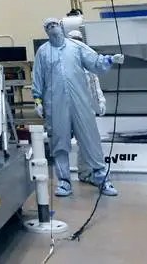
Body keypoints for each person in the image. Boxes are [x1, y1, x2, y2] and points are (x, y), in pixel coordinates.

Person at [33, 17, 125, 197]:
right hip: (55, 105)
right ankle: (64, 182)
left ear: (61, 27)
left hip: (80, 102)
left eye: (55, 25)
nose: (52, 28)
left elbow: (94, 61)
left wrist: (110, 59)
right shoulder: (43, 53)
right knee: (59, 142)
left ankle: (102, 178)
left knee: (90, 139)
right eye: (48, 26)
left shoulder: (75, 47)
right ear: (46, 31)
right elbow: (38, 77)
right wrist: (37, 100)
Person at [68, 29, 107, 184]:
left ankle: (85, 173)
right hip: (68, 109)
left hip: (85, 109)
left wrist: (101, 102)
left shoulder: (88, 63)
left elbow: (94, 85)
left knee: (88, 141)